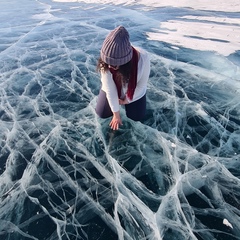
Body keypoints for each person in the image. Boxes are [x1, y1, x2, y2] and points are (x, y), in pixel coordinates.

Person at [95, 26, 150, 130]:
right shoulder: (105, 59)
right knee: (101, 113)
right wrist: (116, 115)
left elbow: (141, 85)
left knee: (136, 117)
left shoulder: (143, 58)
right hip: (113, 88)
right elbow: (110, 90)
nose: (110, 67)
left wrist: (127, 100)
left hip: (133, 91)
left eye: (115, 65)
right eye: (108, 63)